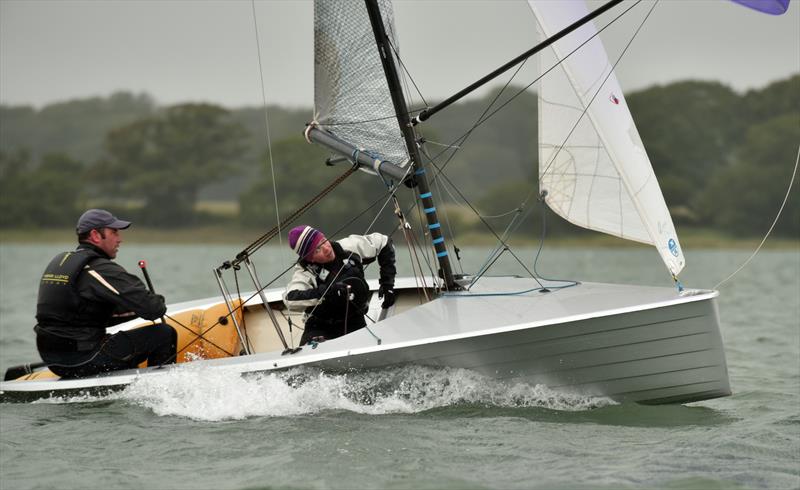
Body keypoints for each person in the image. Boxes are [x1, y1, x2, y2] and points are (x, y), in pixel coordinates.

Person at [34, 209, 177, 378]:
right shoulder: (99, 268)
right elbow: (154, 309)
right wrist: (157, 300)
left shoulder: (63, 263)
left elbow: (81, 316)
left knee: (120, 342)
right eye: (114, 232)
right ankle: (160, 389)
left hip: (54, 359)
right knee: (163, 333)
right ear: (95, 235)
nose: (120, 239)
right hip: (82, 359)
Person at [283, 225, 396, 345]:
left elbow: (384, 242)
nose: (326, 249)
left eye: (323, 241)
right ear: (310, 259)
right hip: (321, 326)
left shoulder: (348, 247)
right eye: (317, 250)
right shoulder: (304, 271)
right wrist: (328, 292)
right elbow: (290, 299)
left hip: (355, 320)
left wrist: (387, 284)